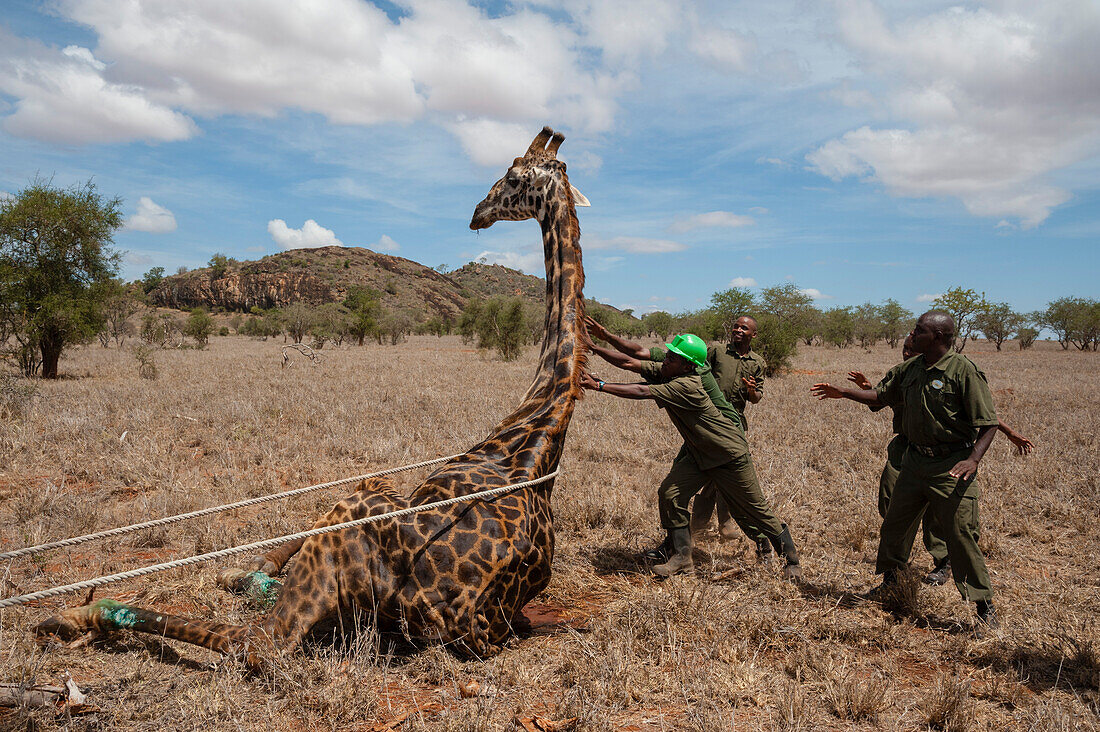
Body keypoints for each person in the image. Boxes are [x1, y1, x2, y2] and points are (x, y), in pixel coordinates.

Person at [810, 311, 1005, 630]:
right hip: (913, 462)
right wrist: (844, 393)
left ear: (939, 337)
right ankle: (891, 581)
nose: (913, 334)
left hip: (950, 466)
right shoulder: (908, 369)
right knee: (895, 525)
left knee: (960, 534)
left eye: (920, 330)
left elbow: (988, 423)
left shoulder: (963, 371)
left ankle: (983, 606)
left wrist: (973, 460)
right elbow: (880, 397)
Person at [581, 331, 801, 578]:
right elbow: (634, 368)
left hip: (728, 455)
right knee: (670, 493)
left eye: (673, 357)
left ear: (687, 365)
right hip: (699, 453)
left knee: (754, 509)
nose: (666, 359)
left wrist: (599, 385)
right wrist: (598, 360)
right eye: (669, 355)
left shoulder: (687, 384)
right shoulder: (674, 373)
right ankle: (681, 557)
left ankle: (791, 561)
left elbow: (642, 392)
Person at [846, 337, 1034, 586]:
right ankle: (895, 570)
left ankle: (945, 562)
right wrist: (860, 388)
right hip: (905, 450)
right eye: (904, 349)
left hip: (942, 456)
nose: (906, 353)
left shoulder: (954, 372)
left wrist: (1008, 433)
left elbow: (982, 414)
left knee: (938, 517)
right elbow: (879, 399)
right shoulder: (904, 373)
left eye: (911, 349)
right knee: (891, 508)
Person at [585, 315, 768, 543]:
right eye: (736, 326)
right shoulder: (699, 356)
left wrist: (596, 362)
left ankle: (758, 540)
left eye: (744, 327)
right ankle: (685, 536)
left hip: (724, 430)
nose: (668, 358)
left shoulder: (693, 370)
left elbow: (633, 366)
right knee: (681, 484)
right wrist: (604, 337)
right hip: (700, 430)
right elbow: (639, 354)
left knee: (729, 489)